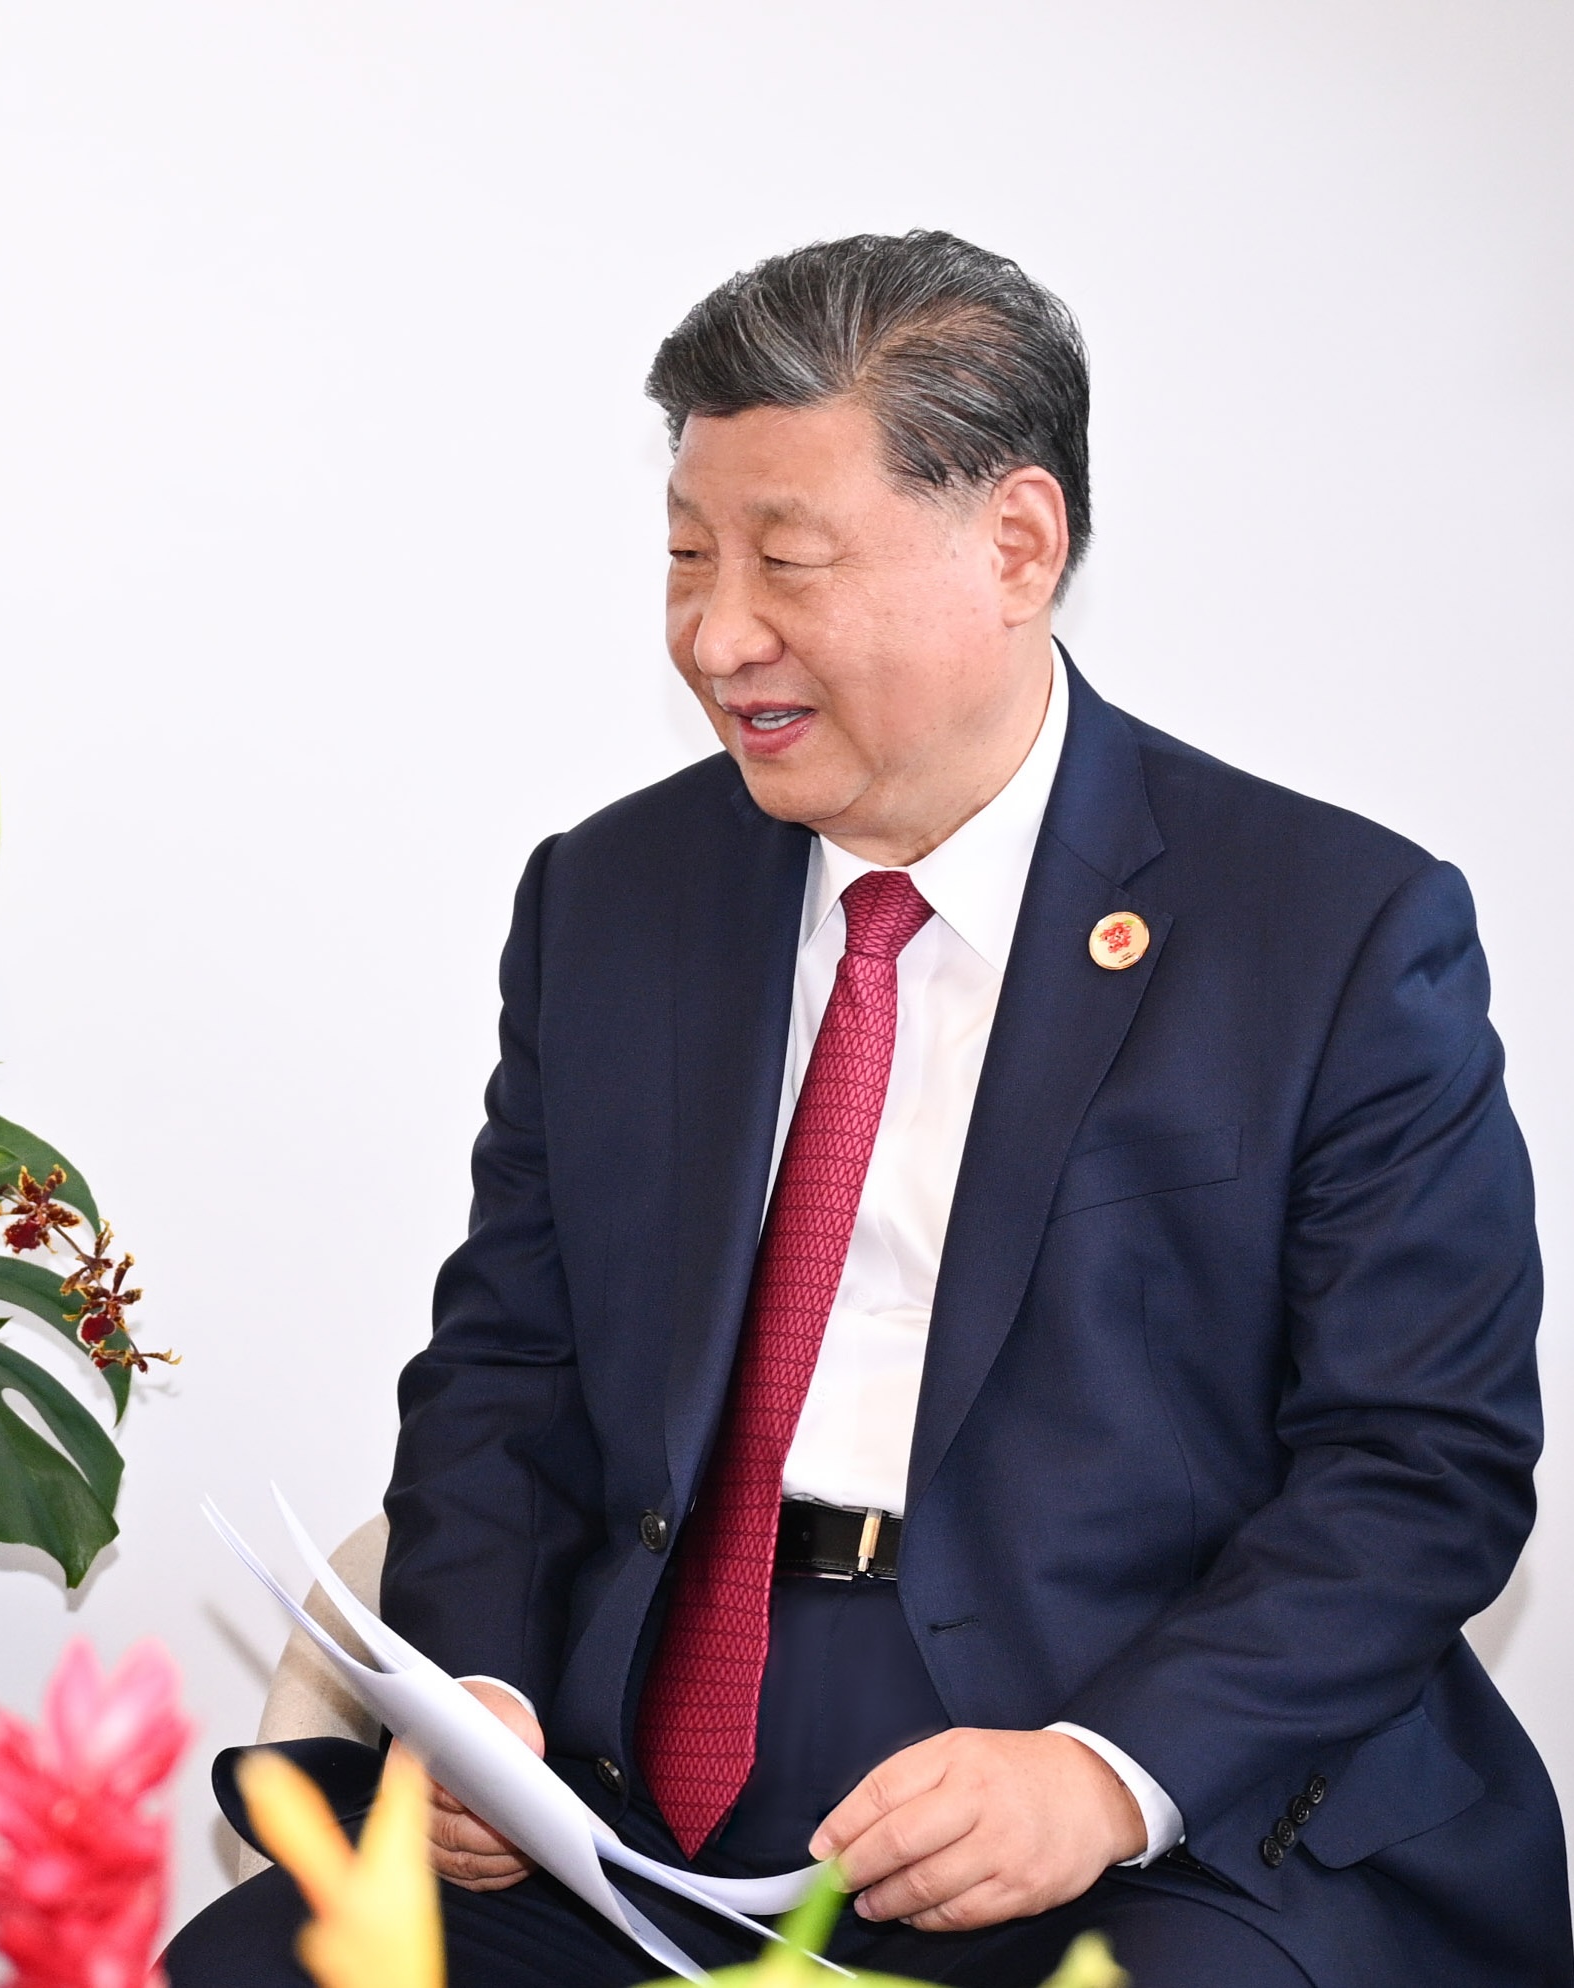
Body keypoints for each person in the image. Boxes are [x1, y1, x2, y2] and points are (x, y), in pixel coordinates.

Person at [167, 234, 1566, 1984]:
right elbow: (506, 1372)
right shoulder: (611, 899)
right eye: (686, 555)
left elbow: (1420, 1462)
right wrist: (483, 1694)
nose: (714, 630)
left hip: (1134, 1811)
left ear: (1018, 545)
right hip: (639, 1797)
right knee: (258, 1963)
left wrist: (1101, 1778)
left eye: (787, 562)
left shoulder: (1333, 929)